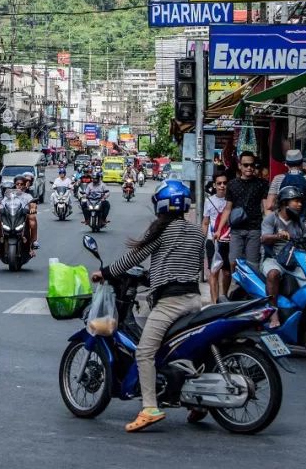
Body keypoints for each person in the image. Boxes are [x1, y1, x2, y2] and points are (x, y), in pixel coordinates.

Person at [92, 180, 204, 432]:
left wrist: (105, 272)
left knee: (145, 352)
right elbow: (196, 264)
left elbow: (134, 257)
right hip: (194, 299)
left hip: (171, 302)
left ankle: (150, 406)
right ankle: (197, 402)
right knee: (180, 352)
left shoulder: (162, 230)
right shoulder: (197, 231)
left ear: (161, 204)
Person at [261, 185, 306, 328]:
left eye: (300, 201)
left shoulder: (298, 222)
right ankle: (273, 314)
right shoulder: (272, 219)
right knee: (273, 274)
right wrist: (278, 235)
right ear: (284, 203)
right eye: (295, 201)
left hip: (294, 262)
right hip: (274, 260)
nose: (299, 204)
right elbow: (264, 238)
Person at [220, 152, 269, 273]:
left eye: (252, 165)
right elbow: (227, 208)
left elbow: (266, 208)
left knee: (253, 265)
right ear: (239, 166)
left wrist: (270, 228)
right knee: (233, 262)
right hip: (236, 230)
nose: (249, 168)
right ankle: (239, 288)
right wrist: (219, 229)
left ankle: (249, 291)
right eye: (246, 165)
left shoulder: (262, 184)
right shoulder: (232, 184)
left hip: (255, 229)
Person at [265, 149, 306, 218]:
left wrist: (284, 205)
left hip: (284, 225)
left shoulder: (277, 179)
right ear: (301, 163)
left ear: (286, 164)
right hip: (304, 226)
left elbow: (269, 205)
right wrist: (304, 205)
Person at [0, 175, 39, 256]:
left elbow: (32, 203)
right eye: (17, 184)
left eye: (21, 184)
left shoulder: (27, 196)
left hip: (23, 216)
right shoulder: (8, 196)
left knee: (33, 220)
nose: (19, 186)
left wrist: (32, 208)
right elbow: (2, 204)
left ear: (24, 185)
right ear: (15, 185)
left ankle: (32, 244)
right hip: (9, 217)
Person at [202, 173, 231, 301]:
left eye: (224, 183)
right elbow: (205, 222)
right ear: (214, 185)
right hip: (212, 240)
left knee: (227, 272)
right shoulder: (208, 201)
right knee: (213, 272)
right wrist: (203, 241)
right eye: (219, 183)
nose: (222, 186)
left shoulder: (232, 201)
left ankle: (224, 297)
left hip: (228, 240)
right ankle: (215, 304)